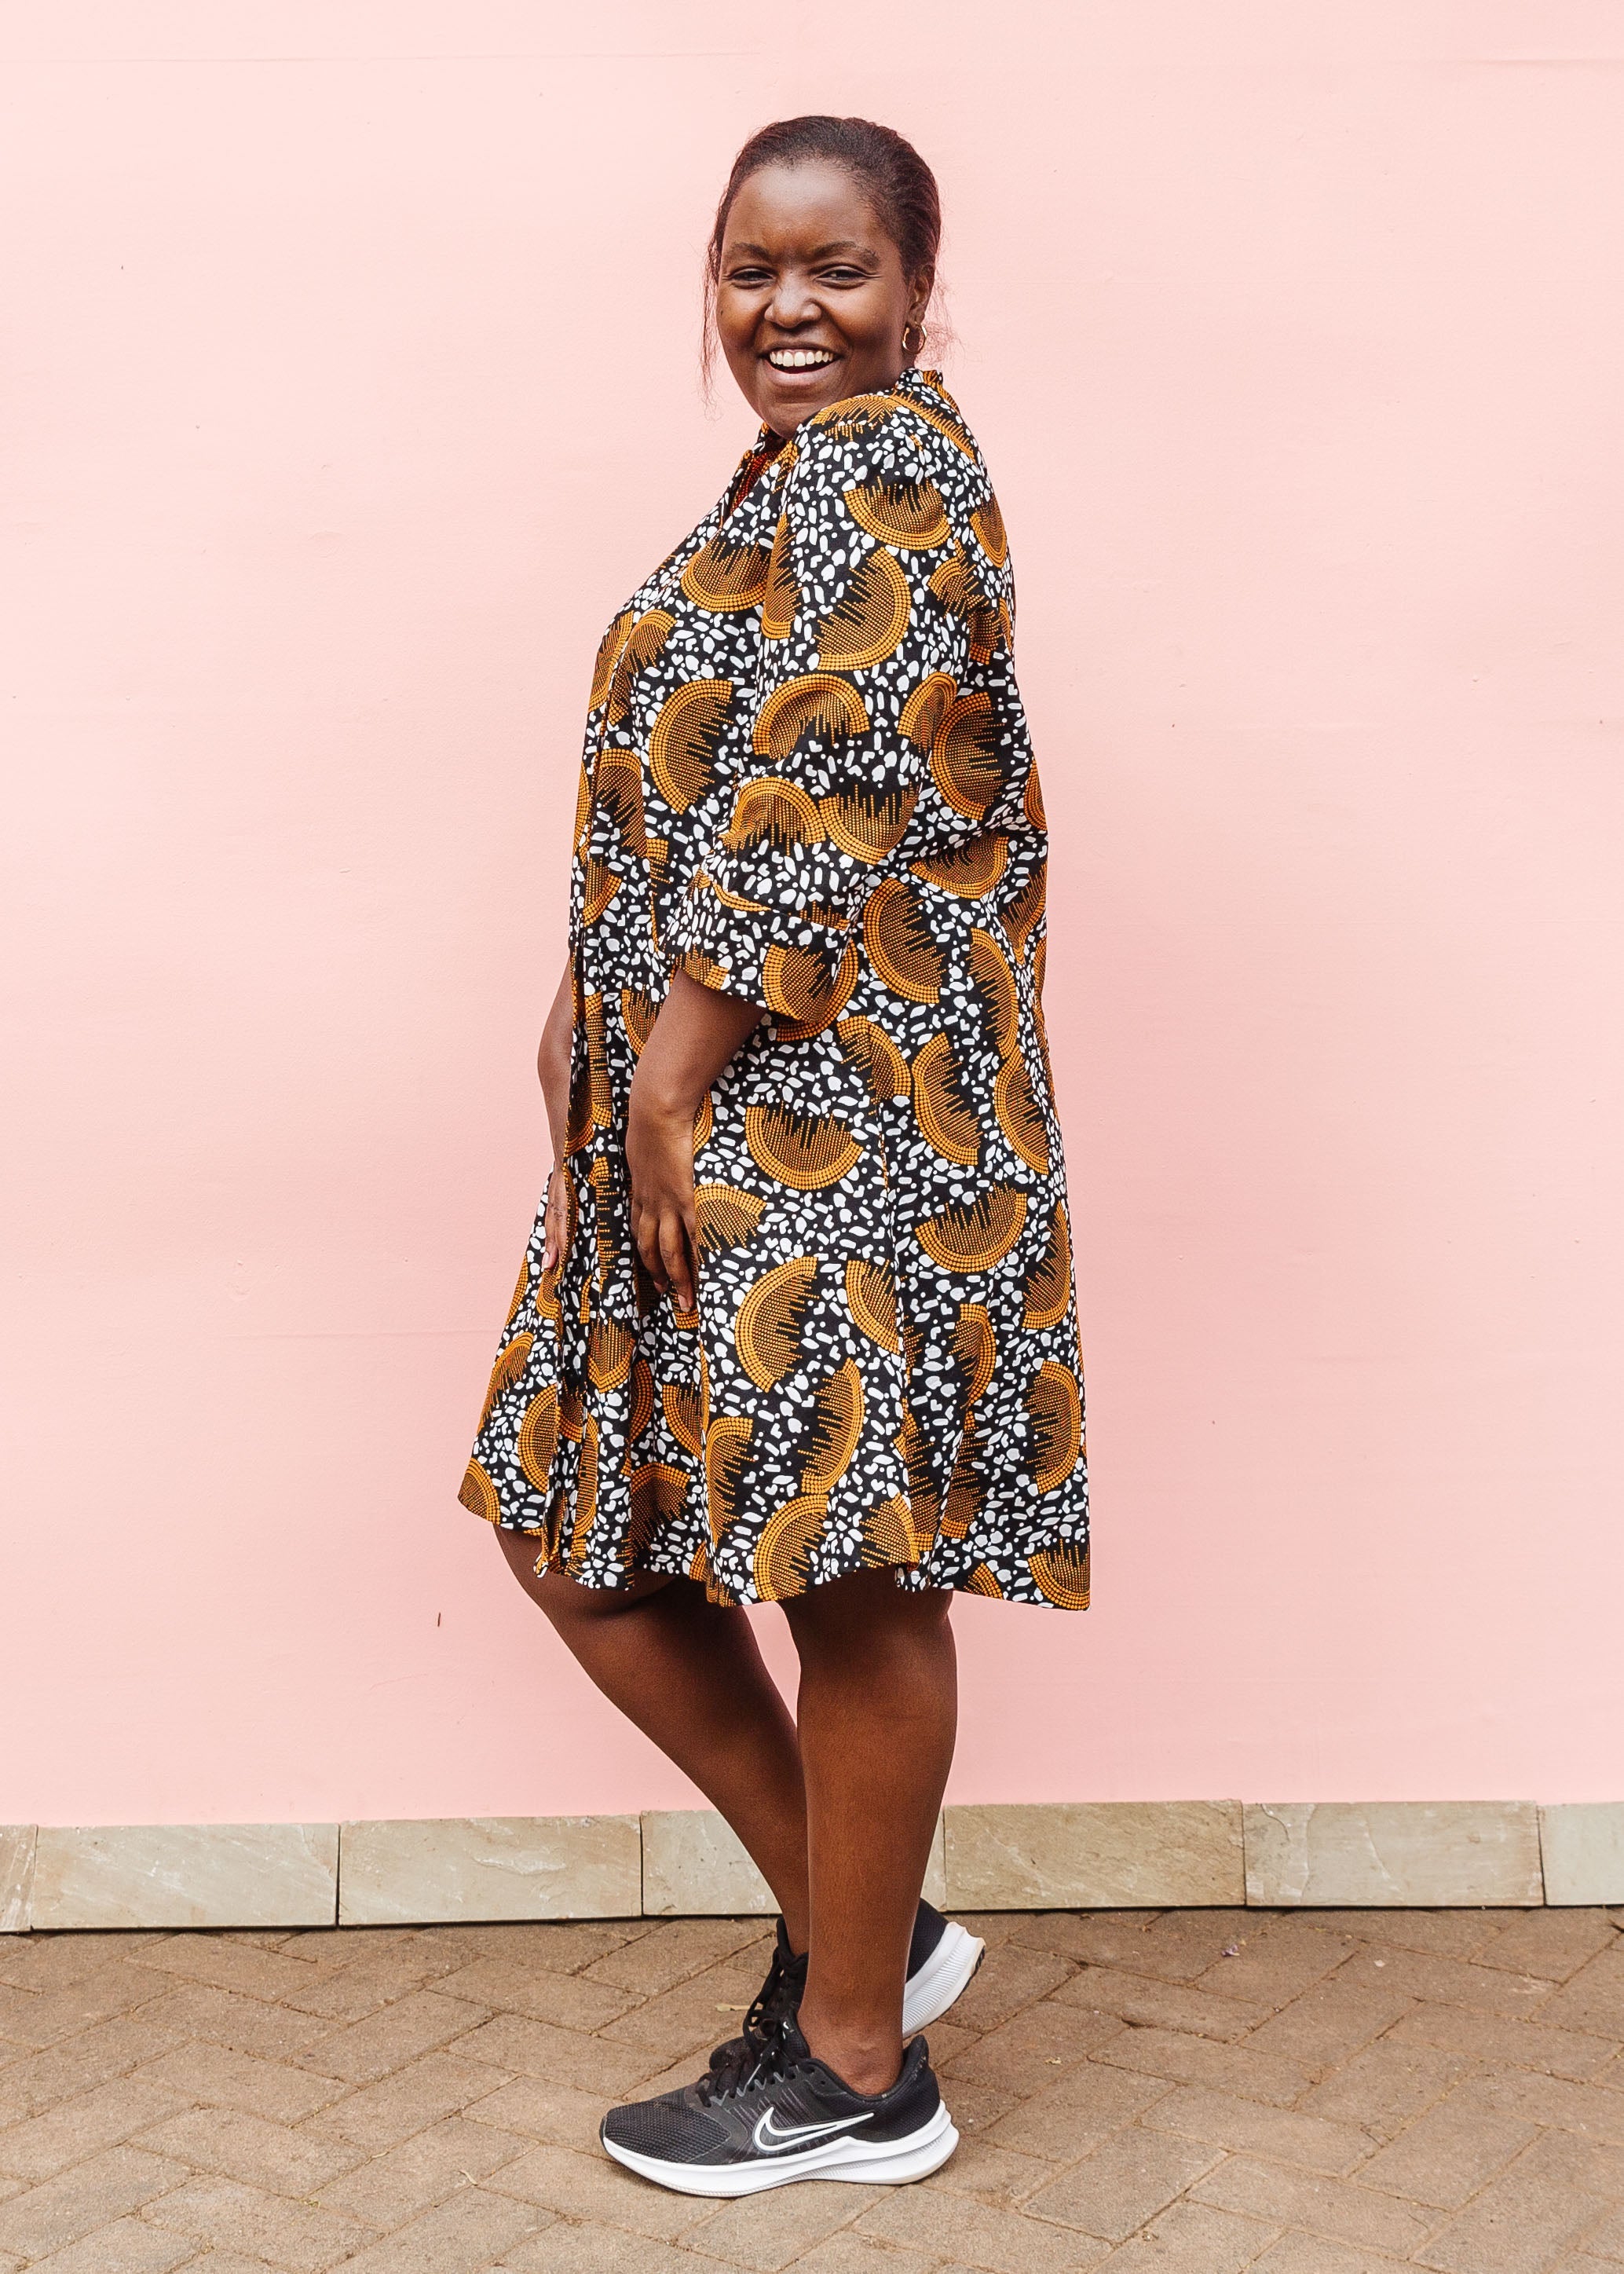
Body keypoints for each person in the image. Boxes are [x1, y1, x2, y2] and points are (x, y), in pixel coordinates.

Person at [459, 113, 1088, 2197]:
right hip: (731, 1106)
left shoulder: (892, 473)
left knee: (850, 1567)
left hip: (844, 1125)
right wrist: (594, 1003)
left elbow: (833, 781)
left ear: (917, 282)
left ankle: (851, 2069)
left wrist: (666, 1064)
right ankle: (867, 1935)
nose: (789, 310)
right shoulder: (797, 483)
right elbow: (714, 768)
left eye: (835, 270)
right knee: (578, 1526)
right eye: (751, 271)